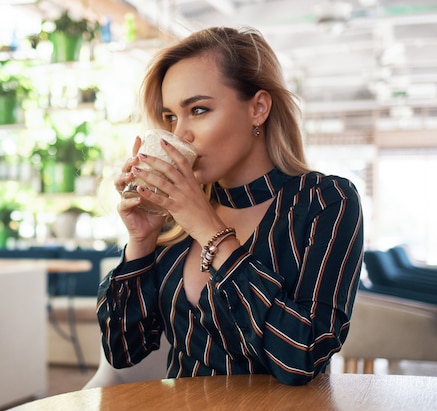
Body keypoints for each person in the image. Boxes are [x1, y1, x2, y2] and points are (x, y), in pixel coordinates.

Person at [97, 26, 364, 386]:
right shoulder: (177, 218)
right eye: (171, 117)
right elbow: (123, 352)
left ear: (258, 108)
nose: (180, 135)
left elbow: (302, 356)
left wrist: (210, 231)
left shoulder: (326, 202)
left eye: (199, 109)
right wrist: (142, 241)